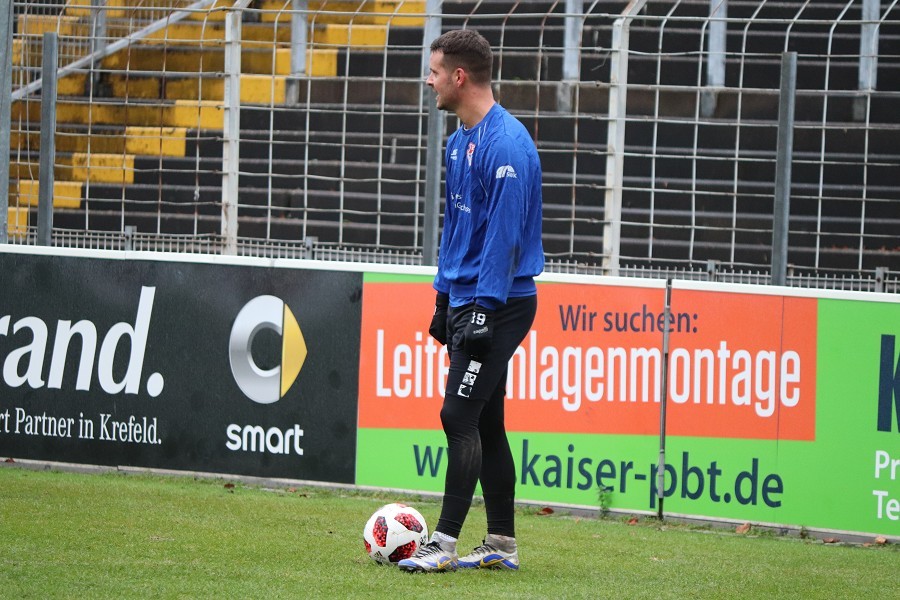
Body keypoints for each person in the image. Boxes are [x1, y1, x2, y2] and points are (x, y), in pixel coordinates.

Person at [398, 29, 544, 573]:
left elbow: (504, 238)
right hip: (467, 296)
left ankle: (442, 544)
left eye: (433, 72)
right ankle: (502, 545)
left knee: (456, 413)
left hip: (501, 302)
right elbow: (458, 229)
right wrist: (442, 296)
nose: (428, 80)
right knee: (486, 425)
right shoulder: (460, 140)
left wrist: (482, 307)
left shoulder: (506, 145)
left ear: (459, 77)